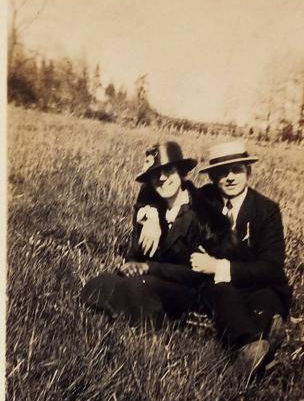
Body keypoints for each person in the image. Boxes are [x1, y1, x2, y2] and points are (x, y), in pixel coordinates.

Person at [137, 141, 291, 372]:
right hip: (220, 287)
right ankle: (262, 350)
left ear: (248, 171)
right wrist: (149, 214)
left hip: (259, 283)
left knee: (265, 300)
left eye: (236, 170)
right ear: (212, 177)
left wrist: (219, 267)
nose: (229, 178)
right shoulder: (205, 198)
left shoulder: (266, 210)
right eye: (221, 172)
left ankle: (257, 345)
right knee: (221, 293)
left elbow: (272, 268)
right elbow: (163, 185)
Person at [81, 141, 229, 329]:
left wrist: (148, 267)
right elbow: (136, 253)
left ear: (181, 173)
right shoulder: (150, 209)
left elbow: (197, 273)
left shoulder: (200, 213)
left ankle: (152, 326)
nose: (161, 178)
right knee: (98, 283)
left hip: (184, 288)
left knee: (138, 287)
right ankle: (127, 312)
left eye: (168, 171)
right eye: (155, 174)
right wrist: (132, 265)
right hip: (148, 279)